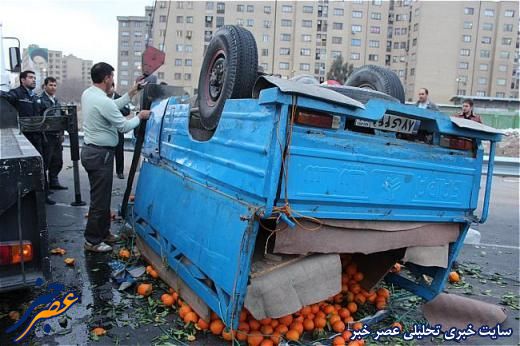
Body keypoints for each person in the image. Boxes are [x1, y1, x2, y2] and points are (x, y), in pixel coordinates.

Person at [81, 62, 150, 253]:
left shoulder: (90, 94)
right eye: (112, 76)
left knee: (102, 197)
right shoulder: (102, 101)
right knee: (99, 201)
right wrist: (141, 116)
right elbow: (124, 127)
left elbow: (112, 105)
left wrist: (133, 91)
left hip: (92, 152)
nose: (113, 80)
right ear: (106, 78)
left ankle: (104, 234)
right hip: (99, 155)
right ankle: (92, 241)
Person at [0, 70, 56, 204]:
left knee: (41, 166)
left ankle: (44, 195)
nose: (33, 80)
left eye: (34, 78)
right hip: (25, 138)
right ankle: (30, 197)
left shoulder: (35, 97)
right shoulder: (17, 94)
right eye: (30, 77)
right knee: (28, 168)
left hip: (38, 136)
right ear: (22, 80)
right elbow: (5, 96)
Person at [39, 77, 68, 190]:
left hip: (57, 135)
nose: (53, 87)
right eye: (50, 85)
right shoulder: (40, 100)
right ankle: (44, 186)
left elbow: (61, 118)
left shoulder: (56, 101)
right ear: (45, 86)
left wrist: (62, 133)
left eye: (55, 85)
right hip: (47, 136)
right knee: (46, 161)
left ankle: (54, 181)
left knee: (57, 161)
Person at [107, 83, 131, 179]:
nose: (109, 89)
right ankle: (107, 171)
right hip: (107, 128)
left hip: (118, 128)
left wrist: (116, 109)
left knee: (119, 150)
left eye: (110, 87)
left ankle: (120, 171)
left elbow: (127, 111)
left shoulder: (120, 98)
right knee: (107, 151)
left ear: (113, 88)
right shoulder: (103, 99)